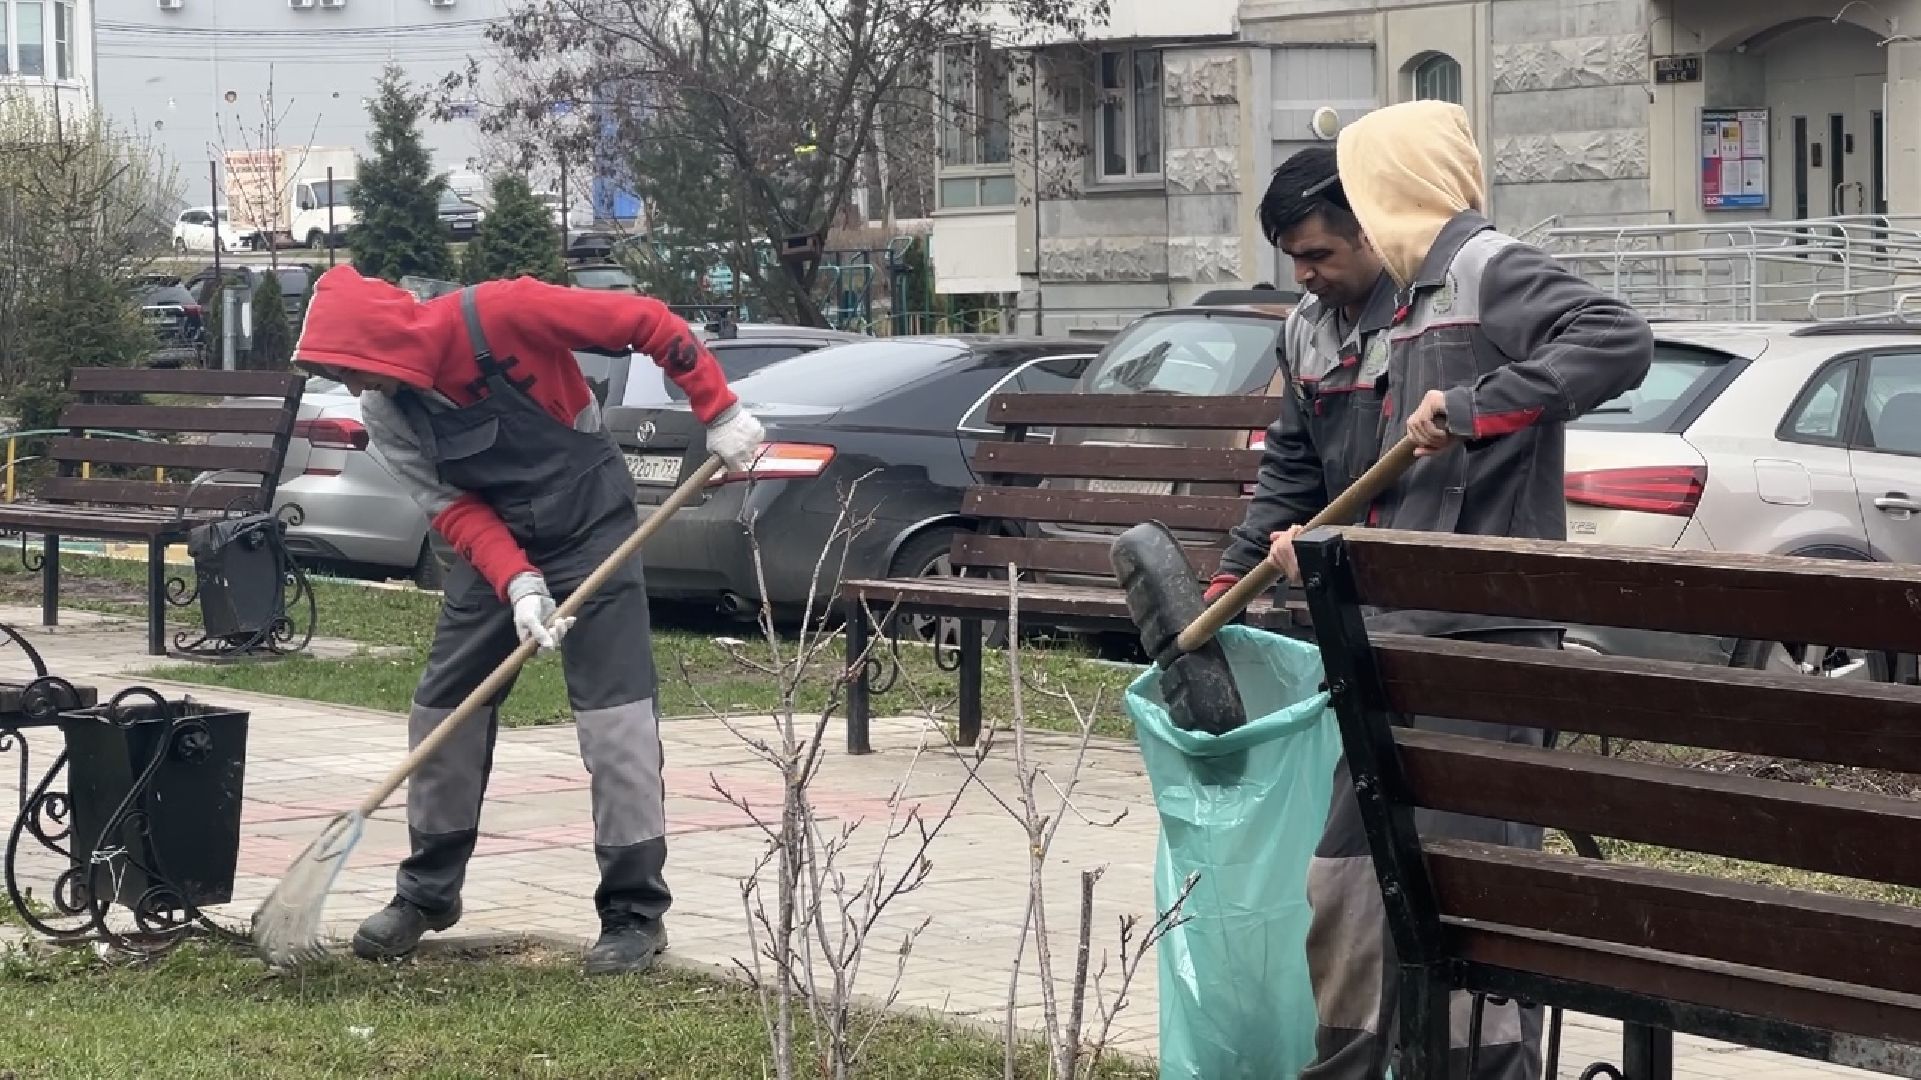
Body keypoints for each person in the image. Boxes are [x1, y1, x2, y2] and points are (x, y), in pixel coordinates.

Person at [1211, 104, 1653, 1079]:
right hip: (1385, 645)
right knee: (1345, 884)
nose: (1311, 272)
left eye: (1324, 247)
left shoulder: (1485, 269)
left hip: (1481, 648)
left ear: (1379, 209)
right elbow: (1317, 472)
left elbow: (1617, 339)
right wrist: (1267, 566)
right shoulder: (1350, 319)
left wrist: (1477, 408)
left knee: (1471, 905)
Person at [290, 265, 766, 975]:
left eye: (354, 371)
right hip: (495, 553)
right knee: (441, 710)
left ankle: (633, 913)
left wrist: (718, 410)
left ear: (383, 346)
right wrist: (517, 582)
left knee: (618, 726)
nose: (356, 391)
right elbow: (449, 505)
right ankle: (426, 894)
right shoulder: (390, 414)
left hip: (592, 529)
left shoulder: (504, 311)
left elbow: (647, 322)